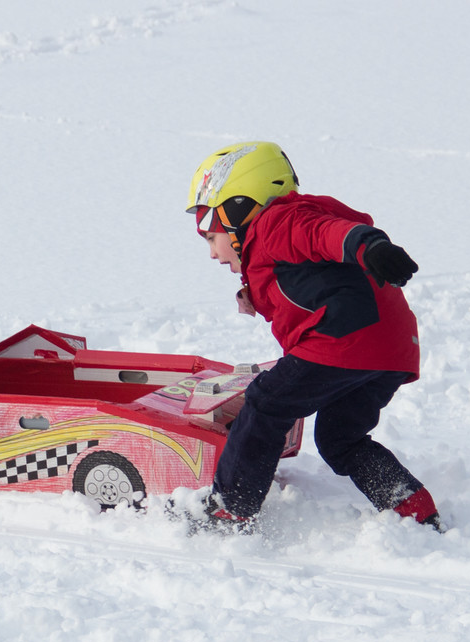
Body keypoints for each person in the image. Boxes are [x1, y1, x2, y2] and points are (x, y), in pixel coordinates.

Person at [185, 141, 440, 531]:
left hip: (341, 343)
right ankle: (415, 510)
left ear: (239, 208)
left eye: (208, 232)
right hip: (390, 352)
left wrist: (367, 244)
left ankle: (229, 510)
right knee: (341, 438)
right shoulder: (272, 241)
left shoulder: (278, 223)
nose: (210, 251)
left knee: (267, 404)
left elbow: (323, 233)